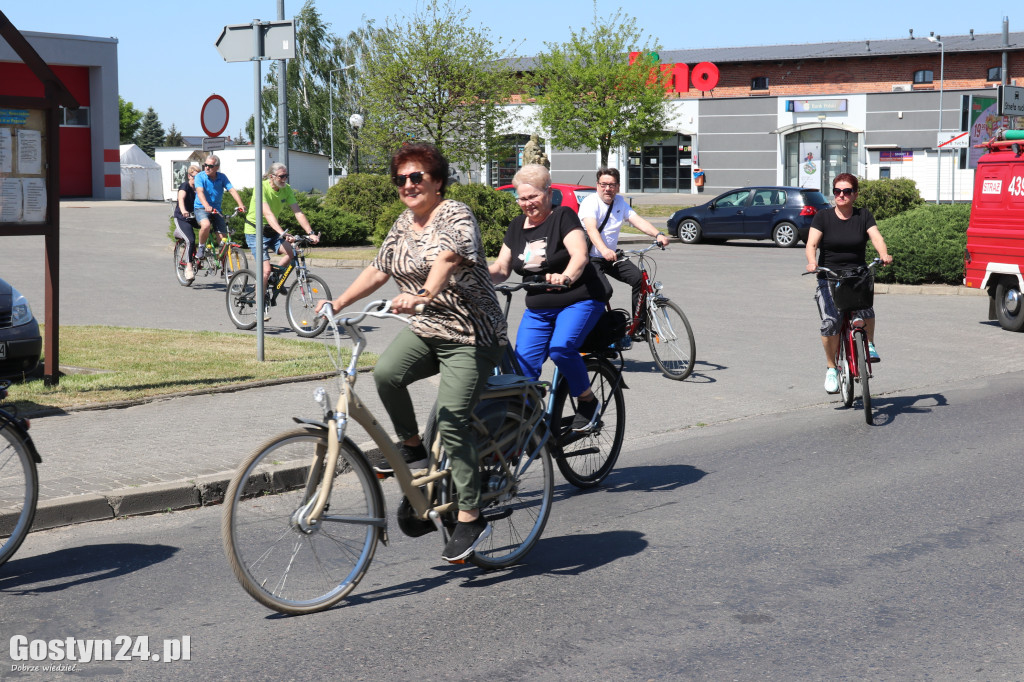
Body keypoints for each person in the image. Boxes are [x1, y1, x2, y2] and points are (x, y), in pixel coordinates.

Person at [318, 143, 507, 563]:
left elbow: (449, 257)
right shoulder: (403, 223)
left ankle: (471, 515)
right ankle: (414, 448)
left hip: (471, 333)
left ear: (437, 181)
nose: (408, 184)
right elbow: (379, 267)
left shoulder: (455, 214)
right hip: (427, 327)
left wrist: (423, 293)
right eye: (401, 179)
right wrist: (338, 303)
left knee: (454, 418)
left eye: (417, 176)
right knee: (386, 374)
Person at [489, 163, 610, 432]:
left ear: (549, 193)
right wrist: (471, 275)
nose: (528, 203)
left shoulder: (563, 216)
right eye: (522, 198)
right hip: (538, 308)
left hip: (578, 299)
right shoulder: (517, 226)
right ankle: (530, 424)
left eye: (533, 196)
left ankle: (588, 402)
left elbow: (579, 255)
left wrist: (565, 276)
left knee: (561, 349)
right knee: (522, 371)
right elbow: (500, 269)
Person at [805, 173, 893, 394]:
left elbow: (876, 237)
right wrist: (811, 262)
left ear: (855, 194)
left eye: (846, 191)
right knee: (830, 323)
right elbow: (811, 243)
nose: (841, 195)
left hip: (857, 276)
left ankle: (869, 344)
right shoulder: (823, 217)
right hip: (829, 277)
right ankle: (831, 368)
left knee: (866, 311)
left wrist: (883, 254)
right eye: (837, 191)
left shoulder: (863, 216)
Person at [579, 167, 670, 327]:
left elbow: (637, 220)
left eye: (612, 185)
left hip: (612, 256)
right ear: (597, 185)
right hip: (591, 258)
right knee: (605, 291)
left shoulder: (620, 202)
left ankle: (639, 324)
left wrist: (658, 234)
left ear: (618, 186)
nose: (608, 188)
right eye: (603, 184)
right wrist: (604, 249)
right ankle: (597, 328)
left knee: (639, 280)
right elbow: (591, 229)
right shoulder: (590, 202)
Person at [244, 163, 320, 320]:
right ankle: (259, 309)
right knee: (265, 270)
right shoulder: (261, 188)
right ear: (272, 177)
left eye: (286, 176)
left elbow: (297, 212)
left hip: (272, 231)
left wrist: (310, 233)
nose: (285, 179)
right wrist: (283, 233)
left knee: (292, 252)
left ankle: (275, 278)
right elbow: (268, 214)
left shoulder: (286, 188)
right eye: (281, 176)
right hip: (255, 231)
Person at [193, 154, 245, 262]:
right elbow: (200, 192)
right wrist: (206, 205)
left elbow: (231, 190)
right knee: (206, 225)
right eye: (205, 165)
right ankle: (201, 247)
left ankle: (225, 269)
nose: (207, 167)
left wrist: (240, 204)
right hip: (201, 208)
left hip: (216, 210)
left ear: (217, 167)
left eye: (210, 166)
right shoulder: (199, 176)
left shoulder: (222, 177)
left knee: (223, 241)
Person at [172, 163, 201, 282]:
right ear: (189, 176)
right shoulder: (185, 186)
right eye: (194, 177)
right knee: (190, 240)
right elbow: (181, 199)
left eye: (198, 177)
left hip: (194, 216)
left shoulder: (199, 188)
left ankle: (202, 252)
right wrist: (183, 210)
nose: (196, 180)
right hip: (182, 217)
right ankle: (188, 267)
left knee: (208, 226)